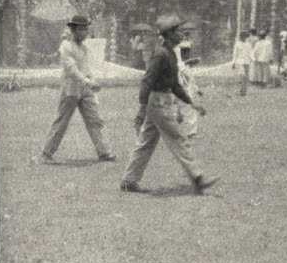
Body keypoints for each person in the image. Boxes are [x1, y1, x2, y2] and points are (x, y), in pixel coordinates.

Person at [124, 16, 216, 195]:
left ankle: (129, 180)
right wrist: (142, 109)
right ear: (168, 34)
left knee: (146, 142)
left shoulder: (171, 54)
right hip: (158, 102)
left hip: (161, 100)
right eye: (177, 30)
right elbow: (147, 81)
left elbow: (174, 85)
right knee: (179, 138)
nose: (181, 33)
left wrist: (192, 103)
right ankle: (198, 177)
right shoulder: (161, 54)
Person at [40, 15, 115, 164]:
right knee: (62, 121)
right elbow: (72, 69)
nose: (84, 32)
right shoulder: (66, 47)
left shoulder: (84, 48)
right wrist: (87, 81)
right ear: (73, 30)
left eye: (86, 28)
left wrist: (92, 79)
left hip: (85, 89)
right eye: (81, 29)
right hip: (70, 89)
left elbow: (86, 68)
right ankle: (46, 154)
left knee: (95, 120)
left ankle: (104, 152)